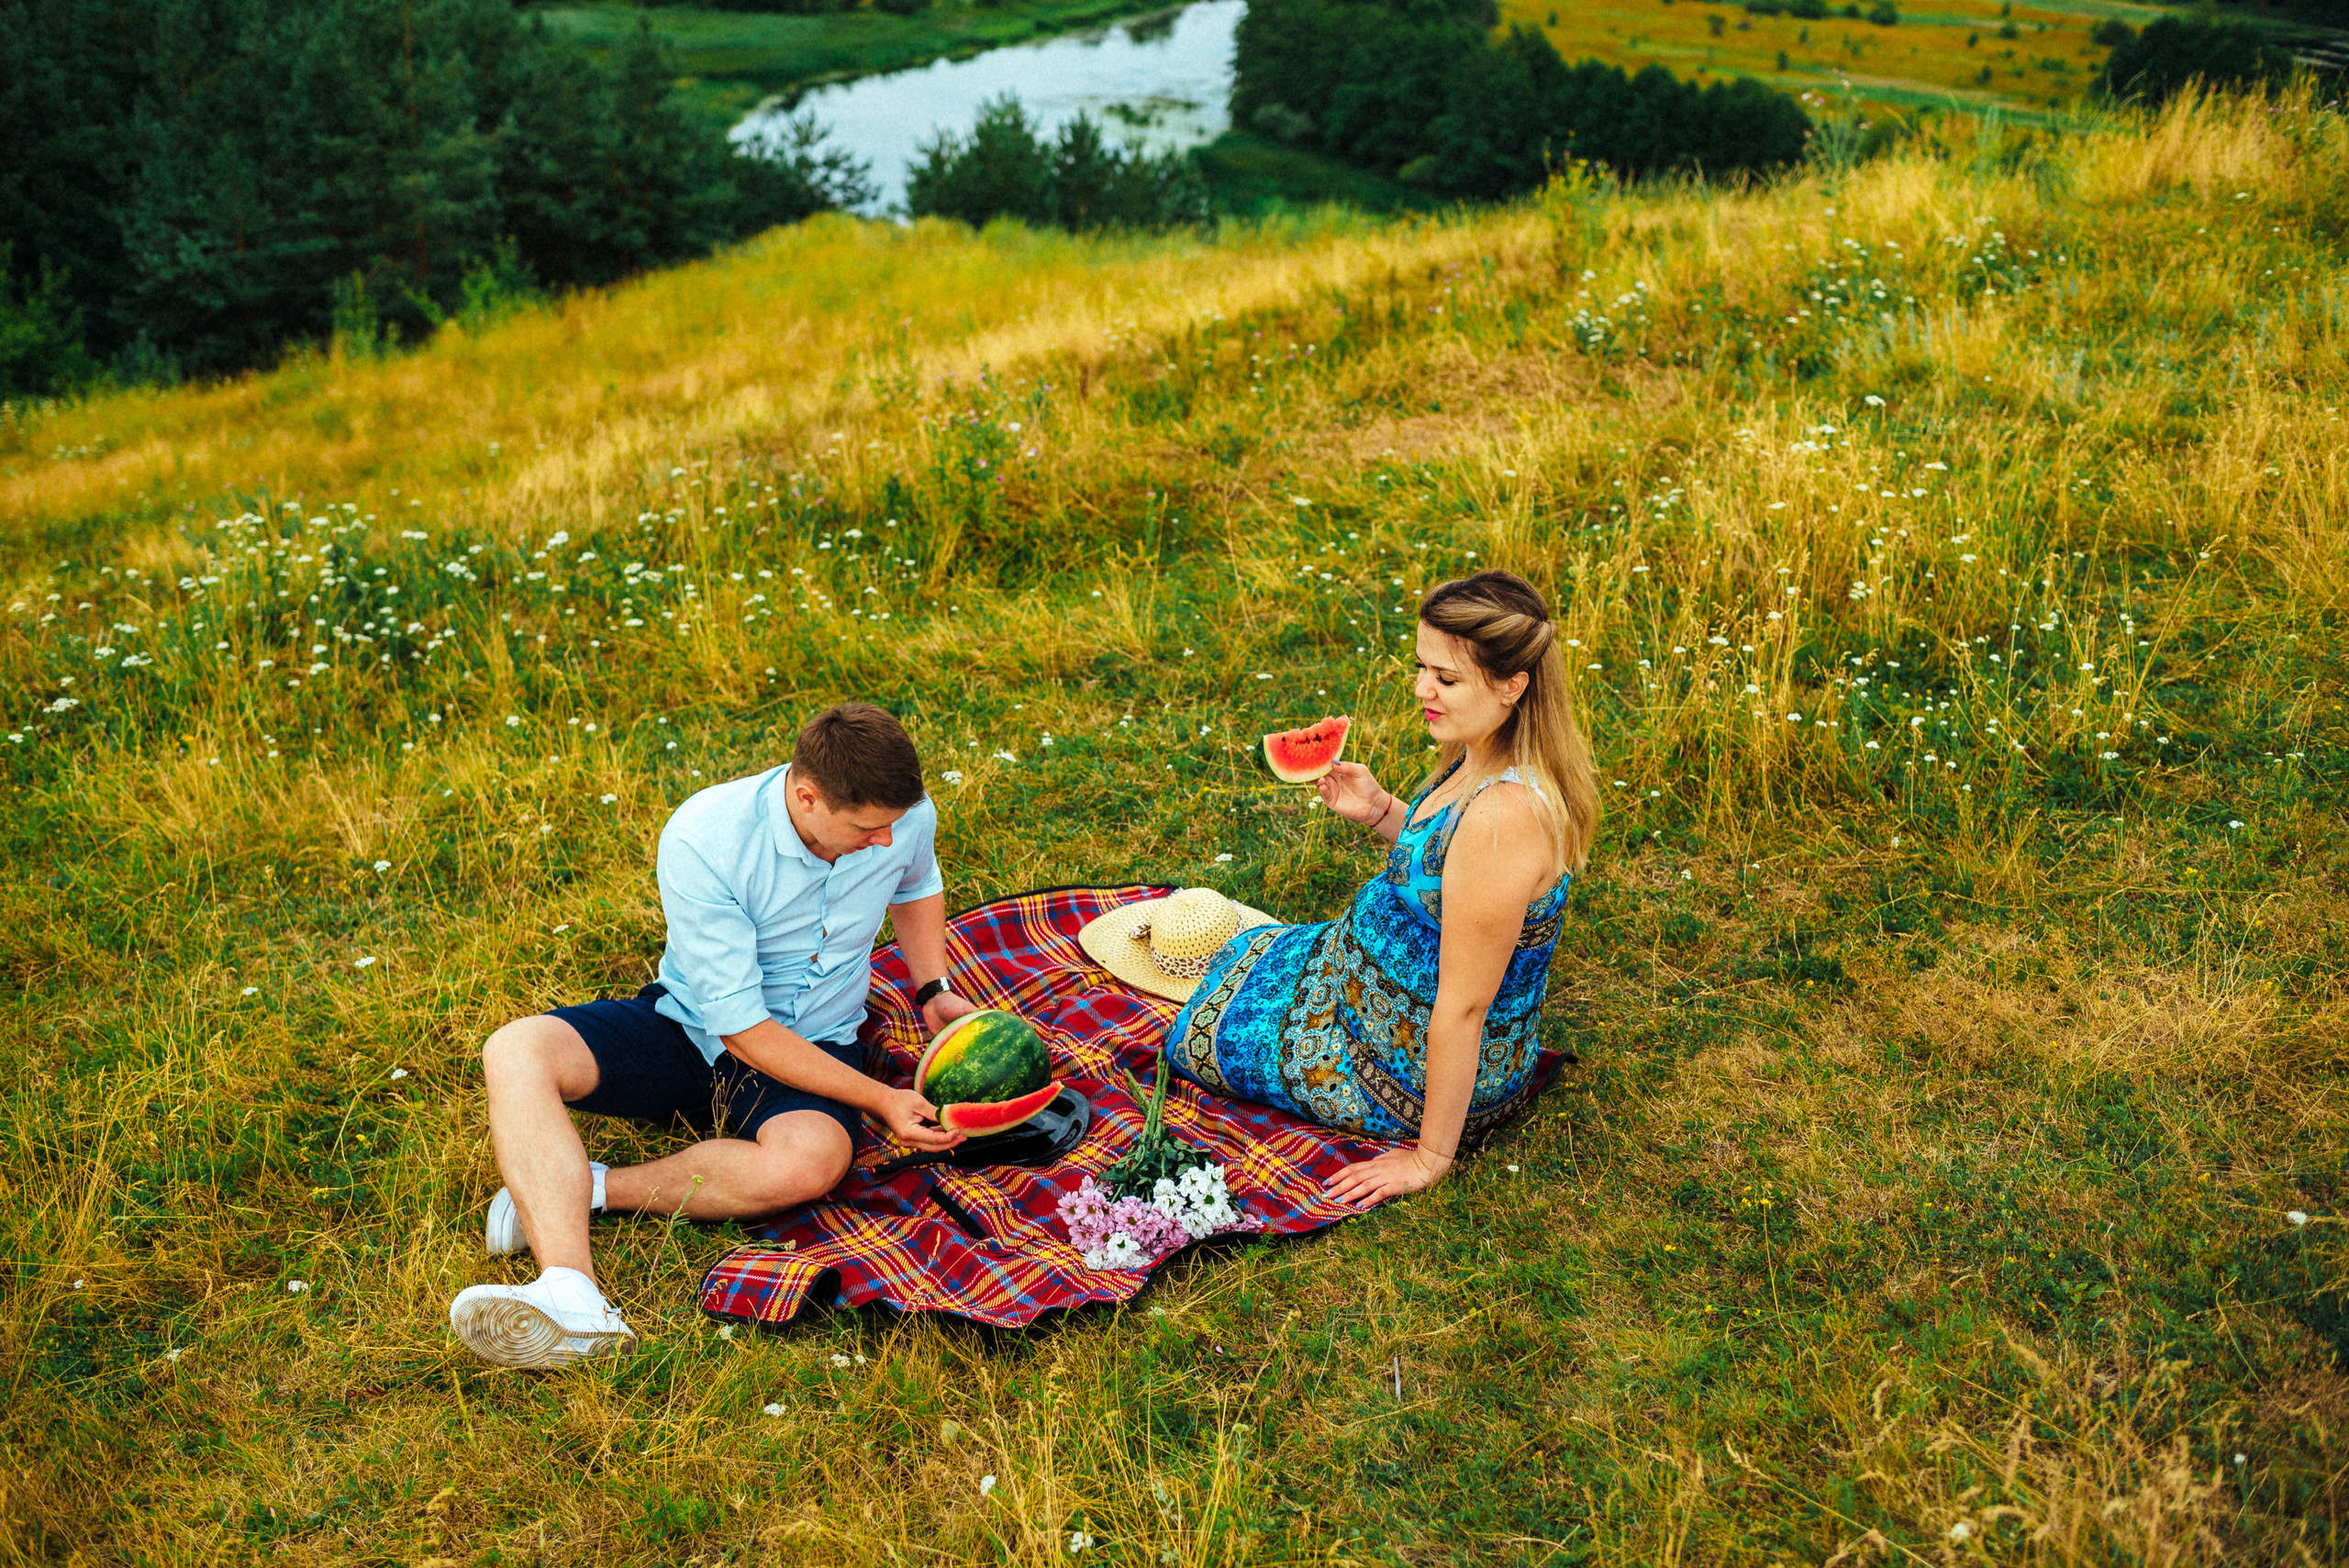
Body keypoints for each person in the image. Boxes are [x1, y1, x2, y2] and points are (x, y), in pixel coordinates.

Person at [448, 703, 974, 1368]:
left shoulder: (901, 817)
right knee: (516, 1048)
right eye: (867, 829)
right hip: (694, 1026)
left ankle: (593, 1188)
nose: (885, 842)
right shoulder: (705, 836)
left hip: (817, 1040)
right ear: (806, 796)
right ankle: (572, 1292)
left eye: (893, 825)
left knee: (813, 1162)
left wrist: (932, 988)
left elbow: (917, 882)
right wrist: (879, 1097)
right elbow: (743, 1029)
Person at [1165, 571, 1598, 1207]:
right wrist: (1380, 809)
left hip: (1403, 1064)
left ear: (1513, 685)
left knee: (1197, 1040)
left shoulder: (1506, 818)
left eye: (1446, 678)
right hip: (1370, 997)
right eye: (1422, 667)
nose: (1423, 689)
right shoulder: (1477, 748)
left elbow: (1464, 1007)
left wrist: (1428, 1158)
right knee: (1241, 957)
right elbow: (1442, 870)